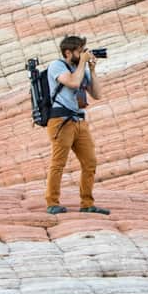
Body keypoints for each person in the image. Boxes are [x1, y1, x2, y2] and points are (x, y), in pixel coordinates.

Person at [45, 35, 110, 215]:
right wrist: (82, 64)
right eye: (80, 51)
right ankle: (52, 202)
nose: (83, 53)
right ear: (68, 52)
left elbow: (97, 95)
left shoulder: (82, 69)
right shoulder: (57, 66)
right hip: (60, 121)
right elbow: (73, 83)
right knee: (58, 163)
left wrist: (92, 69)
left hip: (80, 121)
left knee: (90, 162)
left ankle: (87, 203)